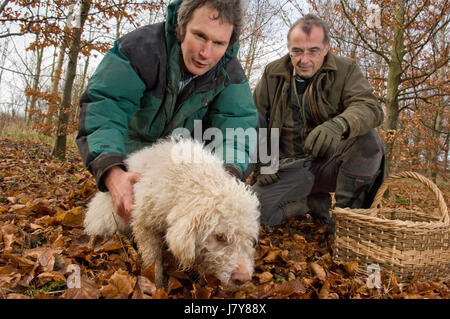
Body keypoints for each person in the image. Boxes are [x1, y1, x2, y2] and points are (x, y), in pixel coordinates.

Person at [76, 0, 258, 224]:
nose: (206, 53)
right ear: (181, 28)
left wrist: (227, 175)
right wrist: (112, 172)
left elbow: (238, 128)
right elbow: (104, 107)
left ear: (229, 43)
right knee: (116, 225)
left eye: (219, 43)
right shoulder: (140, 49)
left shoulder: (231, 74)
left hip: (182, 171)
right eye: (199, 36)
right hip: (132, 163)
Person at [252, 14, 385, 228]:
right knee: (251, 213)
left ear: (326, 48)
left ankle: (346, 223)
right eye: (297, 51)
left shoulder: (346, 70)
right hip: (289, 166)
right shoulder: (272, 73)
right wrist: (264, 162)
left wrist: (339, 124)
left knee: (368, 142)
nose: (304, 60)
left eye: (313, 51)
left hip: (330, 163)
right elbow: (254, 120)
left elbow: (370, 108)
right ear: (289, 48)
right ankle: (309, 203)